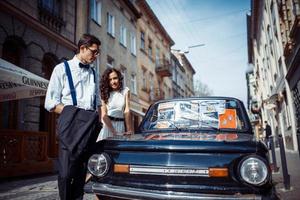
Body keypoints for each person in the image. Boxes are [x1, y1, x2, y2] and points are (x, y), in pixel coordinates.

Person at [45, 33, 102, 200]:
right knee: (65, 173)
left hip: (89, 128)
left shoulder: (94, 74)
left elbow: (97, 102)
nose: (96, 56)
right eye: (94, 51)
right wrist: (75, 114)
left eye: (98, 52)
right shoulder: (61, 69)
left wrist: (96, 119)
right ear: (82, 48)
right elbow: (51, 103)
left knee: (80, 174)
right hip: (71, 125)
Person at [97, 68, 133, 141]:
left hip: (121, 125)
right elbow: (104, 114)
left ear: (119, 78)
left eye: (115, 78)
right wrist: (113, 131)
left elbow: (127, 111)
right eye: (110, 80)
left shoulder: (125, 91)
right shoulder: (104, 93)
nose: (113, 82)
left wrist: (129, 129)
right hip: (107, 126)